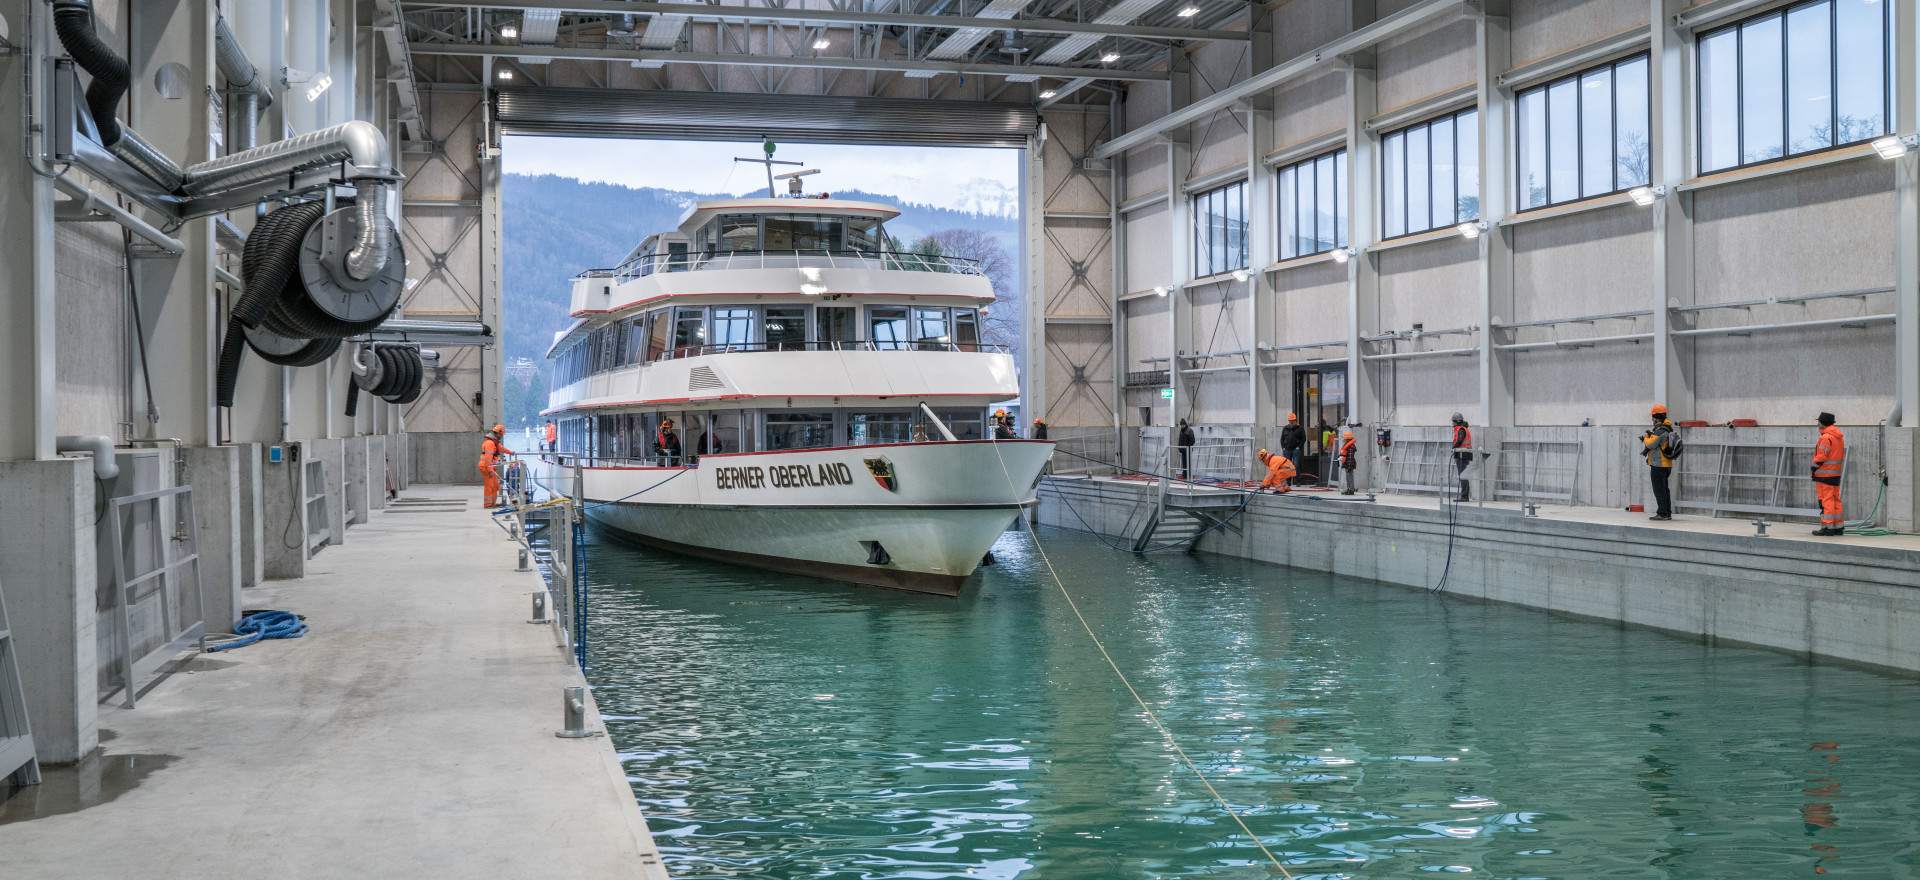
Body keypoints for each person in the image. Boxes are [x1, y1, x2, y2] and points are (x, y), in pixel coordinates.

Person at [1641, 404, 1678, 521]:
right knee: (1664, 489)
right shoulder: (1667, 428)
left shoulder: (1660, 430)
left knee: (1659, 490)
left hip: (1659, 465)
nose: (1652, 419)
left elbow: (1651, 444)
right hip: (1666, 464)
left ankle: (1662, 513)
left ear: (1656, 417)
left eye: (1653, 417)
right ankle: (1667, 513)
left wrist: (1645, 437)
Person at [1812, 412, 1846, 536]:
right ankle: (1838, 527)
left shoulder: (1826, 437)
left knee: (1826, 501)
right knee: (1835, 500)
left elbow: (1821, 457)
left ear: (1823, 423)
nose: (1817, 424)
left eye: (1819, 422)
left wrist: (1813, 469)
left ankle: (1827, 527)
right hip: (1835, 474)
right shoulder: (1838, 437)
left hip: (1824, 476)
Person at [479, 423, 511, 507]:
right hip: (487, 467)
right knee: (489, 486)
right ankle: (488, 504)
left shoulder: (494, 442)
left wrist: (511, 452)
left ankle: (492, 502)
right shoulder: (490, 443)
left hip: (490, 467)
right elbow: (488, 458)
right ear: (497, 433)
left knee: (495, 486)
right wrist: (490, 470)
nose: (502, 436)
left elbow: (502, 448)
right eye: (501, 434)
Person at [1450, 412, 1472, 502]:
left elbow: (1459, 441)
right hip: (1463, 454)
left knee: (1463, 475)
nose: (1452, 423)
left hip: (1462, 454)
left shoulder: (1461, 429)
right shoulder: (1463, 428)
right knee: (1463, 475)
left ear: (1457, 421)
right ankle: (1464, 495)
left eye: (1453, 421)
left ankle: (1464, 496)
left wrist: (1453, 448)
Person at [1279, 412, 1305, 484]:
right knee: (1287, 466)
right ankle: (1288, 481)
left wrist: (1299, 447)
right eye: (1290, 421)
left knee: (1296, 465)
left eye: (1293, 421)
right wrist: (1283, 447)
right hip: (1287, 450)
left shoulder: (1300, 428)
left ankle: (1297, 481)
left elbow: (1303, 438)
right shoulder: (1285, 428)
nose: (1291, 422)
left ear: (1295, 421)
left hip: (1295, 450)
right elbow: (1282, 439)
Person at [1339, 427, 1359, 495]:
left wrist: (1349, 466)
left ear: (1348, 440)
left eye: (1345, 440)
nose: (1344, 441)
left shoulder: (1350, 447)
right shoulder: (1348, 446)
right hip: (1347, 464)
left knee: (1350, 478)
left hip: (1349, 464)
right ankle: (1348, 489)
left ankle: (1351, 490)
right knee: (1348, 478)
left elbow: (1350, 457)